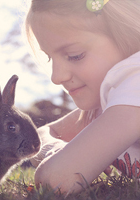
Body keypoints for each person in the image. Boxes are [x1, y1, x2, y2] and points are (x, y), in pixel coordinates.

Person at [24, 0, 140, 194]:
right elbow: (43, 134)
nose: (56, 77)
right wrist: (55, 149)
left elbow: (56, 180)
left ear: (125, 34)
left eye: (74, 55)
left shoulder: (135, 81)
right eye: (50, 58)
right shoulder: (106, 103)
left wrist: (63, 161)